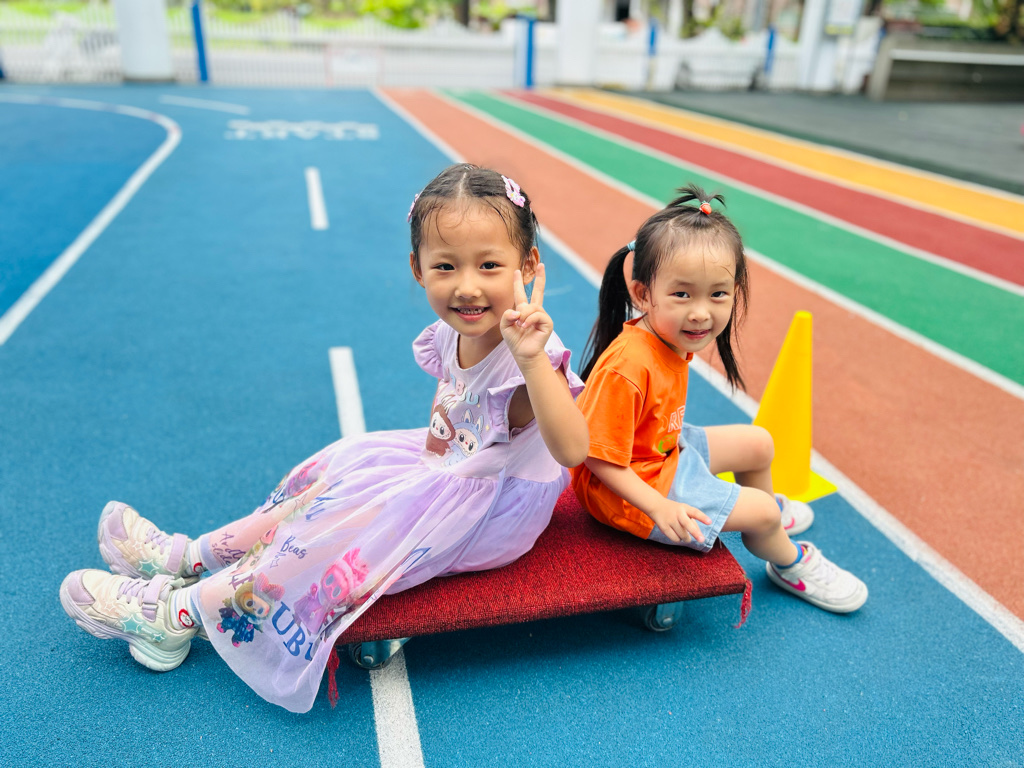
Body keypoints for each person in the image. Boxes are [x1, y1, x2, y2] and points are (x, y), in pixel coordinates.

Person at [59, 164, 590, 713]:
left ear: (528, 265)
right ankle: (190, 557)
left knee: (344, 524)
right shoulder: (454, 329)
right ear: (417, 268)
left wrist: (532, 361)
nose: (467, 286)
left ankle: (176, 617)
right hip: (448, 467)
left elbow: (573, 450)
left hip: (492, 508)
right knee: (337, 471)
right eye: (445, 266)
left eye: (489, 265)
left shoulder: (527, 353)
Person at [571, 184, 867, 614]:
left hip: (658, 452)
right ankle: (786, 559)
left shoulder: (667, 334)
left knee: (759, 442)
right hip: (627, 492)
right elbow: (596, 458)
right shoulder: (629, 365)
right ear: (643, 294)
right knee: (761, 511)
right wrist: (659, 507)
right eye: (682, 294)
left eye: (718, 294)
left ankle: (764, 518)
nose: (701, 312)